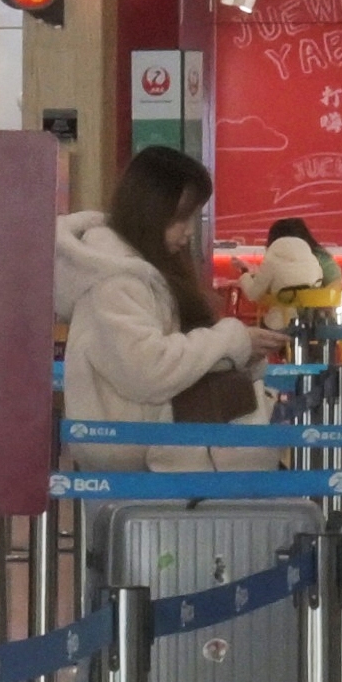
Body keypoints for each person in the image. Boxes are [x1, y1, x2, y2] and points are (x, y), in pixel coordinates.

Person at [58, 145, 264, 457]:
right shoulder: (115, 279)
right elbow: (149, 370)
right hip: (137, 459)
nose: (189, 231)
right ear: (152, 209)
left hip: (146, 453)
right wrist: (231, 341)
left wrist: (239, 349)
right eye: (182, 218)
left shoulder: (133, 269)